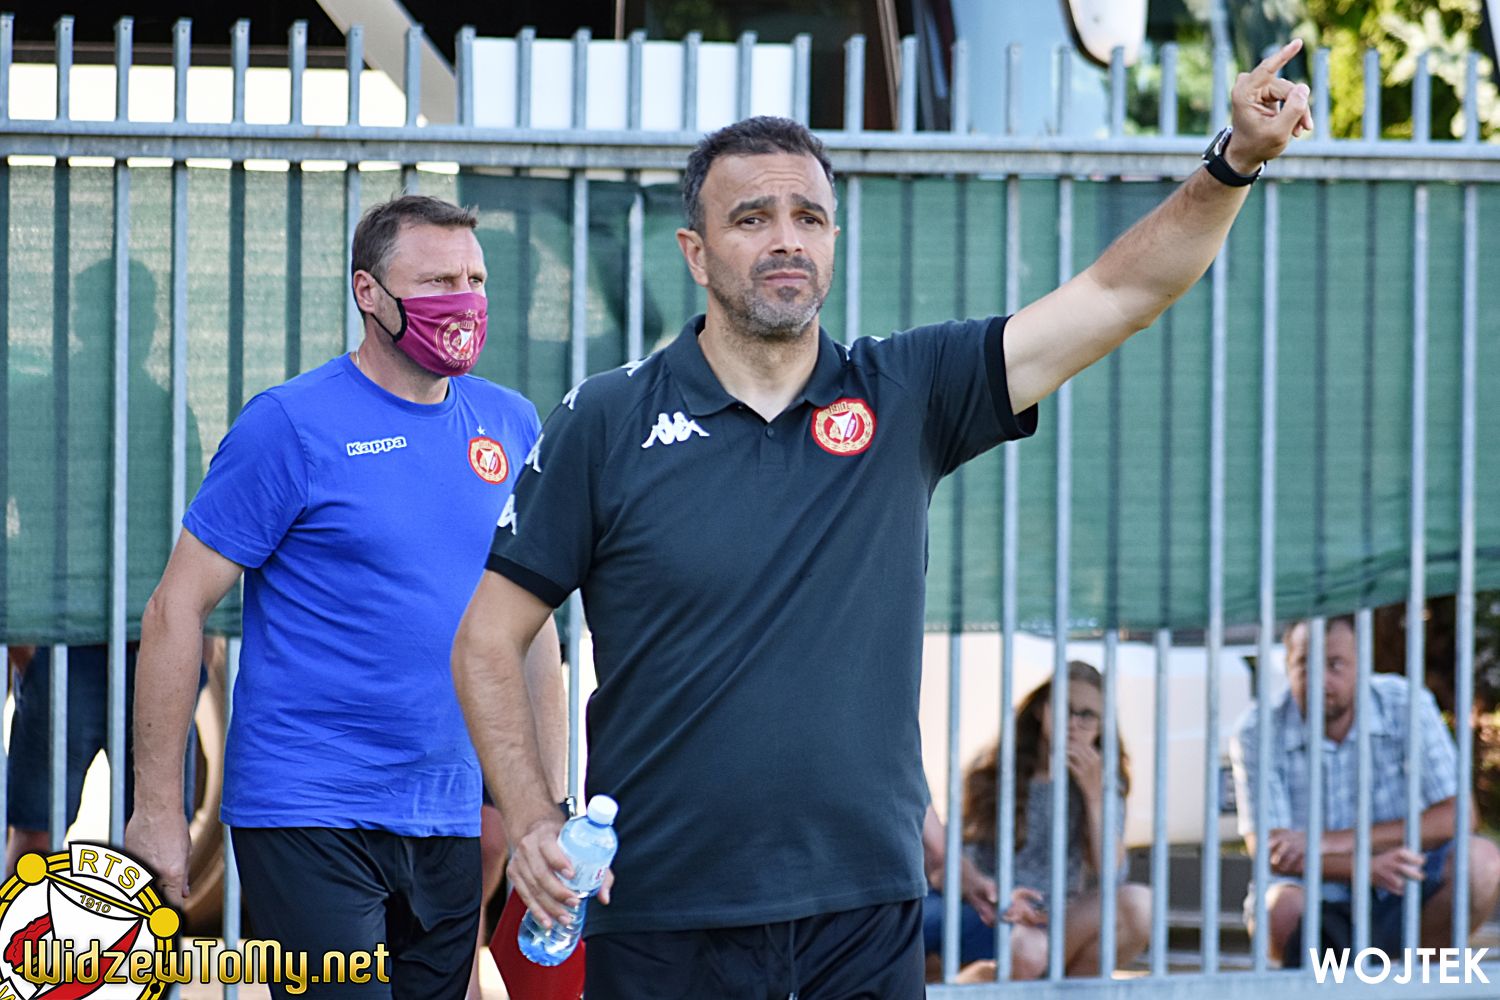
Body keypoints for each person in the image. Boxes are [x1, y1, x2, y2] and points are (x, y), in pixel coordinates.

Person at [453, 42, 1313, 997]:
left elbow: (1119, 295)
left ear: (833, 239)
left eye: (809, 217)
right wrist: (532, 818)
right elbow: (489, 638)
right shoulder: (606, 419)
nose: (787, 239)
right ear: (694, 251)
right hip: (665, 908)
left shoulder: (905, 389)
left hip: (865, 910)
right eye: (752, 218)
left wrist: (1232, 162)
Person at [125, 195, 564, 999]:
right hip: (309, 810)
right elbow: (173, 609)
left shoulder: (511, 423)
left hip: (447, 813)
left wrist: (545, 806)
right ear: (369, 292)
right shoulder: (289, 425)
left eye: (474, 280)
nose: (463, 301)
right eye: (437, 282)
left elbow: (531, 630)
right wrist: (157, 808)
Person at [4, 259, 209, 873]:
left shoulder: (168, 412)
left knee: (152, 831)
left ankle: (53, 935)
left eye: (141, 313)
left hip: (149, 646)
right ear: (79, 321)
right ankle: (36, 934)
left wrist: (203, 635)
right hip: (68, 642)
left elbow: (199, 532)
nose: (130, 327)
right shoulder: (38, 404)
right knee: (41, 825)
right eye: (113, 313)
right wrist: (23, 628)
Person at [1230, 615, 1500, 966]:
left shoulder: (1406, 704)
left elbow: (1459, 814)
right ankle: (1317, 986)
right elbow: (1270, 849)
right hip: (1314, 885)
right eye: (1305, 664)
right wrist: (1362, 866)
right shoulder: (1258, 730)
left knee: (1481, 863)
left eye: (1334, 664)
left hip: (1403, 875)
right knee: (1279, 908)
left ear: (1362, 665)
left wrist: (1332, 842)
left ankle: (1416, 980)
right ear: (1287, 665)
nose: (1319, 680)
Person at [922, 661, 1150, 981]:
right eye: (1064, 709)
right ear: (1043, 711)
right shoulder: (993, 774)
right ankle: (985, 976)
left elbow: (1113, 873)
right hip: (995, 910)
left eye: (1087, 715)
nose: (1073, 723)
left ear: (1101, 725)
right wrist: (1003, 899)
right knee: (1029, 950)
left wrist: (1094, 797)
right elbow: (956, 863)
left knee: (1139, 905)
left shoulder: (1102, 781)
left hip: (1057, 916)